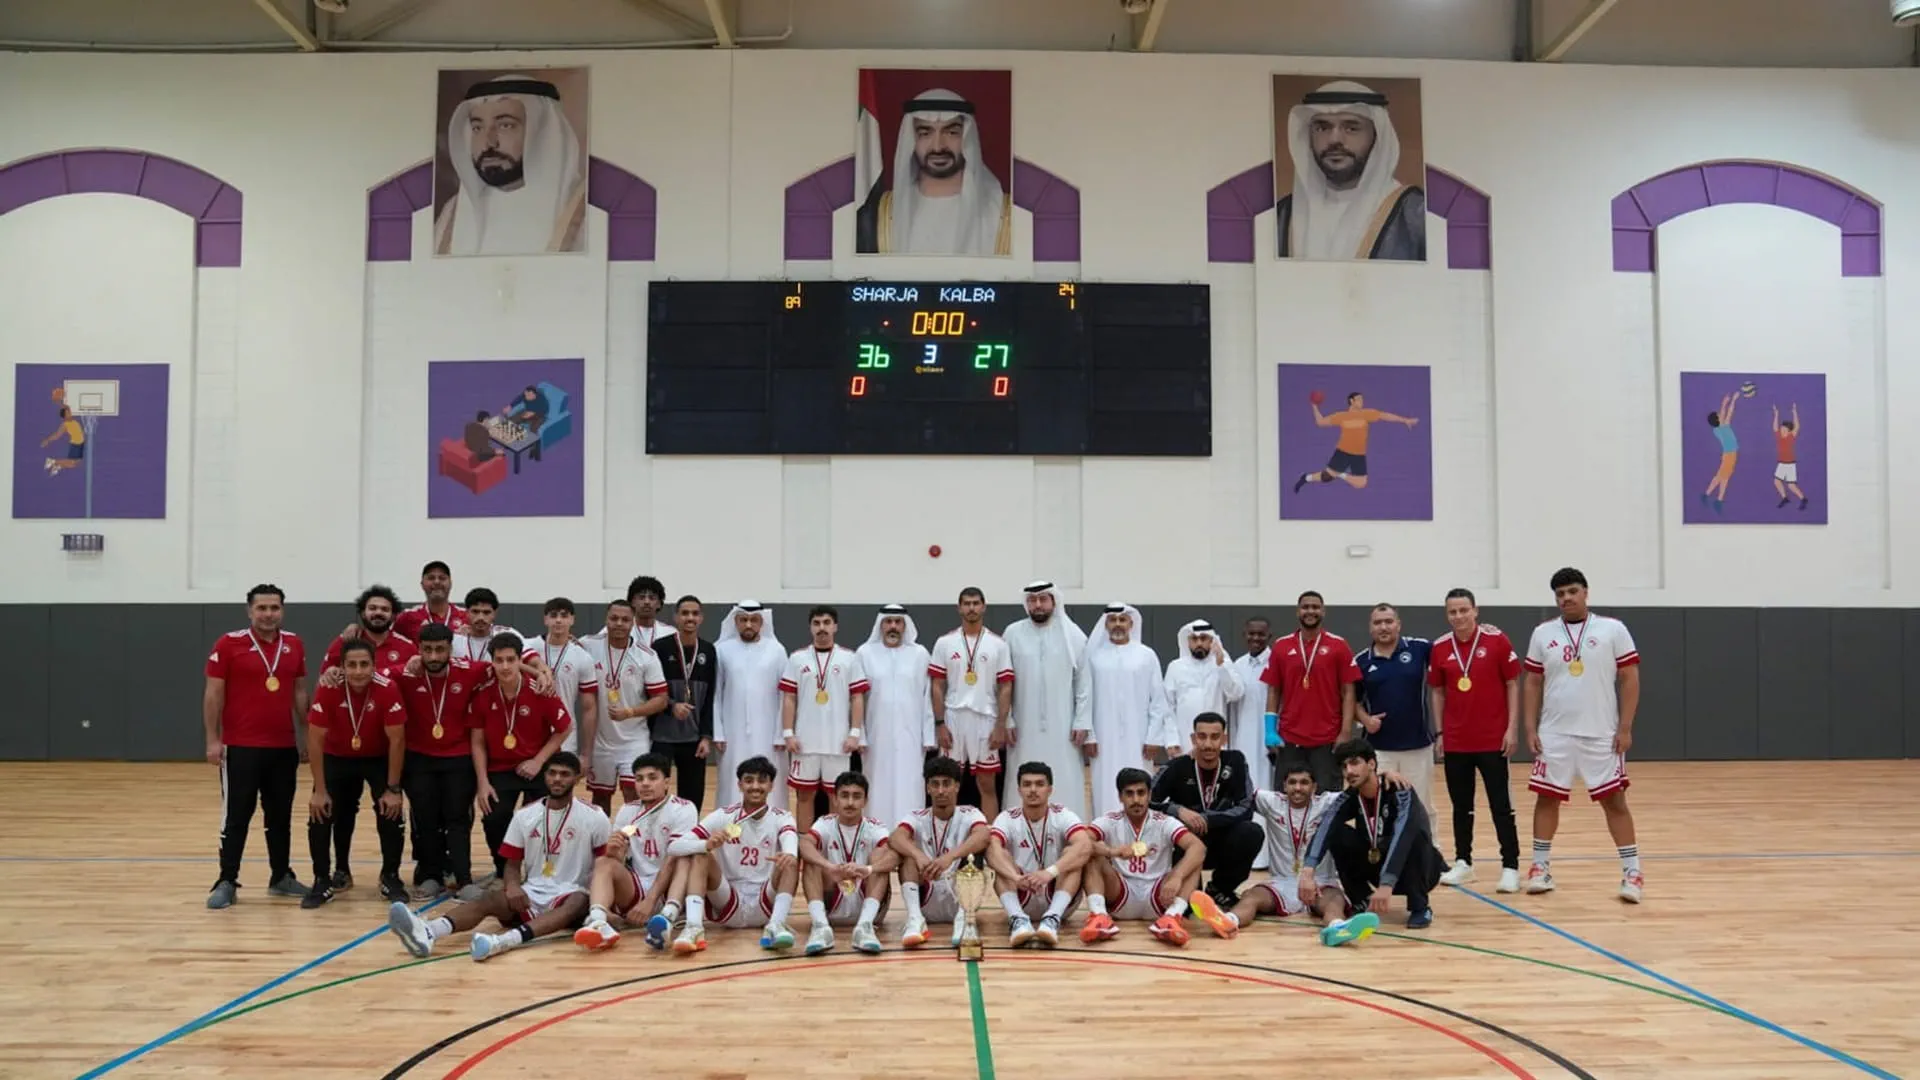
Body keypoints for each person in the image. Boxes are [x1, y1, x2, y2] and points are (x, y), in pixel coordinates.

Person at [386, 752, 608, 962]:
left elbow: (605, 865)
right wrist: (512, 886)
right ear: (545, 775)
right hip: (534, 892)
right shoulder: (525, 815)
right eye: (552, 773)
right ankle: (429, 931)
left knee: (578, 900)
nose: (557, 779)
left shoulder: (594, 816)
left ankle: (503, 942)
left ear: (577, 778)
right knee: (491, 898)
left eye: (565, 774)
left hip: (572, 894)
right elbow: (512, 864)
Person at [1522, 567, 1643, 903]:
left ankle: (1632, 872)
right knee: (1546, 798)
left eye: (1572, 592)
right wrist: (1530, 728)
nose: (1566, 599)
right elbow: (1532, 682)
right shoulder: (1543, 633)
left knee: (1614, 800)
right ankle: (1540, 867)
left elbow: (1630, 678)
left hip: (1600, 732)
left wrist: (1625, 727)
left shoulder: (1612, 630)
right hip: (1554, 733)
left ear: (1586, 593)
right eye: (1560, 594)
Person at [205, 584, 310, 908]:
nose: (268, 614)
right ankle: (226, 880)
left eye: (274, 608)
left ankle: (280, 877)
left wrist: (307, 736)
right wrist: (213, 739)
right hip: (241, 747)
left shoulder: (293, 644)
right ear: (250, 611)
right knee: (237, 816)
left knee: (279, 816)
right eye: (262, 608)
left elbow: (299, 693)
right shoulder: (229, 643)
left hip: (282, 747)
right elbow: (214, 695)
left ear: (283, 610)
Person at [1189, 763, 1355, 940]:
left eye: (1304, 782)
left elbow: (1361, 790)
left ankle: (1337, 927)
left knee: (1334, 901)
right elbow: (1239, 787)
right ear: (1284, 786)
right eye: (1292, 782)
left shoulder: (1328, 802)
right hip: (1281, 882)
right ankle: (1228, 921)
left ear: (1314, 787)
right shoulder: (1271, 801)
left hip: (1319, 882)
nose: (1298, 788)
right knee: (1251, 897)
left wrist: (1387, 776)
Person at [1299, 739, 1444, 942]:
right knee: (1339, 833)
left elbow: (1403, 836)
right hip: (1378, 864)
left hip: (1418, 870)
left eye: (1355, 762)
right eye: (1344, 766)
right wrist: (1308, 871)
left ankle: (1420, 906)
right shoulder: (1350, 797)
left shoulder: (1399, 790)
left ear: (1372, 764)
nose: (1349, 771)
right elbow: (1326, 827)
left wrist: (1386, 884)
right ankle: (1362, 901)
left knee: (1415, 838)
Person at [1428, 588, 1523, 893]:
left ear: (1475, 610)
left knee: (1501, 805)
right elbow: (1437, 692)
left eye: (1463, 610)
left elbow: (1512, 683)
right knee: (1461, 805)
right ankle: (1463, 862)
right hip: (1457, 741)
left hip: (1493, 739)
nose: (1458, 617)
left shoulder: (1497, 640)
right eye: (1452, 612)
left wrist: (1511, 729)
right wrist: (1440, 733)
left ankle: (1510, 866)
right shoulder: (1441, 647)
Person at [301, 639, 409, 907]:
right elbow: (315, 740)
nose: (358, 671)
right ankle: (324, 879)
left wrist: (393, 789)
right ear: (341, 667)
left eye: (364, 665)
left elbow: (397, 740)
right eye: (352, 665)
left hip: (377, 757)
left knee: (391, 811)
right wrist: (319, 790)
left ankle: (390, 876)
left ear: (374, 666)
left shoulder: (387, 688)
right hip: (337, 757)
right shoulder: (328, 688)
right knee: (323, 812)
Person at [434, 74, 586, 256]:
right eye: (477, 128)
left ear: (542, 132)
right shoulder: (452, 213)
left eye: (505, 125)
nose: (488, 143)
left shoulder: (585, 210)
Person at [1276, 79, 1426, 261]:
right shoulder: (1282, 215)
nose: (1334, 139)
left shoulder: (1415, 214)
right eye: (1322, 127)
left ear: (1377, 137)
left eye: (1351, 128)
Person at [665, 755, 801, 954]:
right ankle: (693, 928)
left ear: (771, 785)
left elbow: (790, 837)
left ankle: (776, 926)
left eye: (762, 780)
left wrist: (788, 853)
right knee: (701, 854)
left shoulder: (782, 817)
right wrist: (707, 844)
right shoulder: (723, 815)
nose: (755, 786)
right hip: (729, 898)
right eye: (749, 780)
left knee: (789, 861)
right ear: (739, 784)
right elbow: (674, 847)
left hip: (765, 899)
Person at [855, 88, 1012, 255]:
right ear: (911, 139)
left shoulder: (1006, 215)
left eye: (952, 133)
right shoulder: (877, 217)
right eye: (925, 133)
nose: (938, 147)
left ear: (967, 138)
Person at [469, 633, 574, 880]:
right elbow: (477, 742)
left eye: (510, 660)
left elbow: (565, 728)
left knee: (542, 819)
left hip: (539, 764)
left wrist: (538, 761)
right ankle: (504, 872)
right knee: (494, 816)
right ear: (491, 662)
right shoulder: (483, 694)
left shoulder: (540, 689)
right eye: (499, 660)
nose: (505, 666)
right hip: (500, 768)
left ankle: (542, 872)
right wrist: (482, 783)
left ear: (519, 661)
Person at [574, 752, 700, 951]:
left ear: (667, 782)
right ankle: (599, 923)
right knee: (603, 862)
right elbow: (620, 860)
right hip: (639, 884)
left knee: (683, 858)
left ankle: (667, 918)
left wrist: (650, 900)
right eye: (639, 779)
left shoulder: (684, 808)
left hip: (672, 886)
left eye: (652, 777)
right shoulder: (628, 810)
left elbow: (672, 859)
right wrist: (614, 851)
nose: (645, 784)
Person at [397, 623, 487, 900]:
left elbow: (508, 663)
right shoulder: (405, 673)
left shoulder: (470, 670)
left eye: (440, 650)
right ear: (419, 650)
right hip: (418, 759)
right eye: (427, 650)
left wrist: (540, 670)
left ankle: (463, 878)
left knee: (458, 819)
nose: (434, 657)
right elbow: (365, 674)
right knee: (425, 820)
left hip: (458, 759)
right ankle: (430, 876)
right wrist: (333, 672)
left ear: (450, 649)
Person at [1082, 767, 1207, 946]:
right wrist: (1112, 851)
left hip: (1159, 895)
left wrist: (1177, 877)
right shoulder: (1109, 821)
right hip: (1120, 893)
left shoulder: (1164, 821)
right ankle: (1099, 916)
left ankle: (1172, 917)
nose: (1136, 800)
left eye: (1141, 793)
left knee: (1195, 859)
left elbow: (1198, 847)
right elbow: (1080, 843)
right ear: (1120, 797)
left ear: (1149, 795)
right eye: (1129, 794)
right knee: (1090, 854)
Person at [1151, 713, 1262, 911]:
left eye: (1215, 737)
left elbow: (1246, 808)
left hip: (1221, 841)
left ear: (1224, 739)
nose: (1208, 744)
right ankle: (1187, 893)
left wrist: (1206, 819)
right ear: (1193, 739)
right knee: (1187, 910)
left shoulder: (1235, 761)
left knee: (1251, 832)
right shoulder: (1177, 766)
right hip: (1186, 844)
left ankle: (1220, 888)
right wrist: (1177, 810)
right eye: (1202, 737)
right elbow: (1148, 802)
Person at [1002, 581, 1093, 821]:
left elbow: (1083, 682)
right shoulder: (1012, 633)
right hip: (1023, 725)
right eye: (1032, 600)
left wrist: (1082, 721)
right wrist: (1007, 719)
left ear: (1054, 601)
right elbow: (1002, 682)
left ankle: (1069, 829)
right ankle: (1016, 829)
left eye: (1043, 599)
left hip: (1063, 725)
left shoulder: (1072, 634)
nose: (1038, 605)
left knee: (1064, 777)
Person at [777, 606, 870, 834]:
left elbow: (857, 698)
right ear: (810, 627)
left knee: (835, 795)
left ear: (835, 626)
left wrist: (855, 733)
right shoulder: (797, 658)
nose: (822, 628)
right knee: (804, 795)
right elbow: (789, 698)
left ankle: (831, 844)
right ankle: (804, 846)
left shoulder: (849, 658)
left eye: (827, 623)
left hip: (838, 743)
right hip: (805, 743)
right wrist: (788, 733)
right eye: (817, 623)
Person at [1077, 603, 1175, 818]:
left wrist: (1153, 737)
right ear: (1106, 624)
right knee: (1104, 788)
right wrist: (1090, 736)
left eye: (1122, 620)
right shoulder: (1093, 657)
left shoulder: (1146, 655)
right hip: (1103, 738)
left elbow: (1158, 700)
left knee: (1138, 785)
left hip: (1139, 738)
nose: (1118, 624)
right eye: (1113, 620)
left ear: (1131, 623)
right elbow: (1086, 699)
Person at [929, 587, 1016, 819]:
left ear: (984, 606)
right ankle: (947, 836)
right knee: (946, 784)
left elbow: (1005, 686)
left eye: (976, 603)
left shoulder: (998, 644)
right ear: (959, 608)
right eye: (966, 603)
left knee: (986, 783)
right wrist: (940, 723)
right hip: (954, 716)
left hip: (985, 718)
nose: (971, 608)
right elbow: (937, 686)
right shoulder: (944, 642)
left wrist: (1000, 724)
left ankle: (990, 840)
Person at [985, 761, 1092, 948]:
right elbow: (992, 850)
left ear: (1050, 789)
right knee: (999, 854)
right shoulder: (1007, 817)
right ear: (1019, 790)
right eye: (1027, 784)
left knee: (1072, 854)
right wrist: (1015, 877)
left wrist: (1049, 873)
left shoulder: (1063, 815)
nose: (1033, 790)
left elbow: (1084, 846)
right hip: (1021, 889)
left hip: (1056, 890)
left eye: (1039, 784)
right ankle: (1018, 920)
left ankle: (1052, 919)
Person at [1260, 591, 1359, 794]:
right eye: (1306, 607)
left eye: (1315, 607)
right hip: (1290, 737)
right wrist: (1270, 730)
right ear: (1298, 611)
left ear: (1323, 611)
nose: (1310, 611)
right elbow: (1273, 691)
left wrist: (1346, 732)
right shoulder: (1281, 646)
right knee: (1286, 799)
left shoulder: (1338, 645)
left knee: (1328, 800)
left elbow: (1348, 691)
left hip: (1327, 738)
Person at [890, 756, 993, 949]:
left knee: (974, 854)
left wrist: (950, 857)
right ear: (927, 788)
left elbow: (984, 836)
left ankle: (965, 919)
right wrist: (918, 855)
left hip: (959, 891)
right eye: (935, 784)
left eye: (946, 784)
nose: (940, 791)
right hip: (927, 892)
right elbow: (895, 837)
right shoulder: (916, 816)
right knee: (907, 855)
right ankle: (915, 919)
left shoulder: (970, 813)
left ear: (957, 786)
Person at [576, 600, 669, 811]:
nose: (619, 623)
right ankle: (602, 842)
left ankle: (633, 840)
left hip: (633, 739)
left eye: (625, 619)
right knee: (600, 797)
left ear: (633, 622)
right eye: (614, 618)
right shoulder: (588, 645)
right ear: (606, 619)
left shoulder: (646, 656)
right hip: (600, 741)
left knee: (634, 795)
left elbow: (661, 699)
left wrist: (630, 712)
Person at [798, 771, 897, 955]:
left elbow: (894, 856)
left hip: (866, 896)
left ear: (865, 801)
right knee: (811, 858)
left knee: (881, 855)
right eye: (844, 796)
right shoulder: (824, 823)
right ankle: (821, 927)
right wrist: (830, 867)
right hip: (832, 896)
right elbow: (804, 844)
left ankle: (865, 927)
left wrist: (867, 869)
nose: (850, 802)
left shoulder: (876, 827)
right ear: (834, 799)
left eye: (856, 796)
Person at [856, 604, 936, 831]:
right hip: (875, 735)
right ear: (880, 625)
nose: (893, 626)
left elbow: (927, 696)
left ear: (905, 626)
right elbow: (857, 697)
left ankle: (909, 834)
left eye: (897, 622)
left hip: (910, 737)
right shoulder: (865, 653)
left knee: (910, 786)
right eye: (888, 621)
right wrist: (860, 734)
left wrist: (928, 736)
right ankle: (876, 836)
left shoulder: (920, 654)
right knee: (876, 784)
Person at [1351, 603, 1436, 814]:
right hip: (1379, 750)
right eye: (1378, 623)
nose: (1383, 627)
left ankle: (1428, 847)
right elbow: (1351, 700)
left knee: (1421, 806)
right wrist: (1365, 720)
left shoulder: (1420, 648)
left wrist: (1482, 630)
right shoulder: (1361, 661)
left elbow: (1452, 646)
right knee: (1382, 806)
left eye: (1388, 621)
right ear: (1370, 628)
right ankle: (1384, 847)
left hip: (1418, 746)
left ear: (1398, 624)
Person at [714, 600, 787, 807]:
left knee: (769, 776)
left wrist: (781, 733)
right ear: (735, 621)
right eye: (743, 620)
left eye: (753, 620)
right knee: (731, 781)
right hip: (732, 732)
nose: (748, 625)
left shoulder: (776, 650)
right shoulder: (722, 649)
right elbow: (716, 693)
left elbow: (785, 695)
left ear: (761, 622)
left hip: (769, 732)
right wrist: (718, 732)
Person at [653, 596, 719, 809]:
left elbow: (710, 698)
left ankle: (688, 839)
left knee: (692, 799)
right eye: (685, 613)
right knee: (654, 792)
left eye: (694, 613)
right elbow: (651, 689)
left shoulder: (708, 651)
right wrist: (672, 706)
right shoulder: (660, 647)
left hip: (694, 738)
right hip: (662, 735)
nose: (689, 618)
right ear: (676, 617)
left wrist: (707, 736)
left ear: (701, 618)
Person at [1292, 392, 1421, 493]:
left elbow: (1385, 415)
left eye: (1362, 399)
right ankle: (1306, 478)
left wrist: (1405, 420)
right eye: (1359, 399)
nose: (1362, 401)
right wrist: (1314, 406)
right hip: (1342, 452)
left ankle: (1340, 474)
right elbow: (1320, 422)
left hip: (1359, 454)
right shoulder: (1341, 416)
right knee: (1327, 477)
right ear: (1351, 401)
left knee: (1361, 484)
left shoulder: (1367, 414)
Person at [1228, 615, 1275, 869]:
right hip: (1243, 741)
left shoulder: (1276, 662)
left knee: (1267, 794)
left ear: (1269, 636)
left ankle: (1269, 856)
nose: (1255, 638)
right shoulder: (1238, 665)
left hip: (1268, 746)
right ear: (1245, 635)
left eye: (1261, 634)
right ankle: (1251, 857)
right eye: (1251, 634)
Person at [1163, 620, 1243, 756]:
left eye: (1203, 638)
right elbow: (1168, 706)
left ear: (1212, 641)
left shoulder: (1223, 663)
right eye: (1194, 639)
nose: (1199, 643)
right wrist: (1171, 739)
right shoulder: (1175, 667)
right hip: (1184, 739)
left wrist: (1221, 666)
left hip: (1214, 738)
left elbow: (1236, 693)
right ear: (1188, 642)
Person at [533, 597, 599, 758]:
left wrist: (586, 753)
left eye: (564, 616)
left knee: (561, 782)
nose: (558, 620)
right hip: (530, 730)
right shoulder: (529, 646)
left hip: (565, 732)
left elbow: (588, 708)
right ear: (545, 619)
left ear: (572, 619)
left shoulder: (582, 657)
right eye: (553, 615)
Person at [322, 585, 418, 683]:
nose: (378, 612)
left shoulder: (408, 647)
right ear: (363, 613)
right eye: (372, 608)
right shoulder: (345, 641)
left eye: (385, 609)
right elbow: (323, 681)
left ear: (393, 616)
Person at [393, 561, 469, 641]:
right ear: (422, 584)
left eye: (442, 578)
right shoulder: (407, 617)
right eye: (431, 578)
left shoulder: (466, 617)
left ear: (450, 583)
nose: (437, 582)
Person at [1701, 390, 1740, 514]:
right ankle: (1707, 495)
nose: (1720, 414)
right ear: (1718, 420)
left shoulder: (1718, 429)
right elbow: (1729, 412)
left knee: (1725, 477)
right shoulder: (1723, 427)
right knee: (1721, 476)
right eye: (1718, 415)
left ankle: (1719, 499)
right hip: (1730, 456)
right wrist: (1732, 400)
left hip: (1730, 455)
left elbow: (1724, 413)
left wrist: (1724, 403)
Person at [1772, 402, 1808, 510]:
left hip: (1790, 464)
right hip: (1781, 463)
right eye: (1782, 429)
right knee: (1777, 481)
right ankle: (1785, 498)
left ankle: (1803, 498)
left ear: (1789, 431)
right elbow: (1774, 427)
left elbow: (1797, 426)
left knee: (1791, 485)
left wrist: (1794, 412)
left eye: (1784, 430)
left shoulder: (1791, 437)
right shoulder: (1779, 436)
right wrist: (1776, 414)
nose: (1782, 430)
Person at [625, 575, 671, 647]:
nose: (647, 602)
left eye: (652, 598)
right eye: (641, 597)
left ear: (659, 603)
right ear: (632, 602)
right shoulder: (616, 630)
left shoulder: (670, 633)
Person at [40, 405, 84, 475]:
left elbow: (67, 407)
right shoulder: (65, 424)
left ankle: (57, 466)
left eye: (69, 412)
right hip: (76, 444)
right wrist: (47, 440)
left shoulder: (73, 421)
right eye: (68, 413)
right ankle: (52, 462)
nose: (70, 414)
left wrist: (63, 402)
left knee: (74, 464)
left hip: (81, 443)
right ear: (65, 416)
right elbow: (57, 435)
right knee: (72, 462)